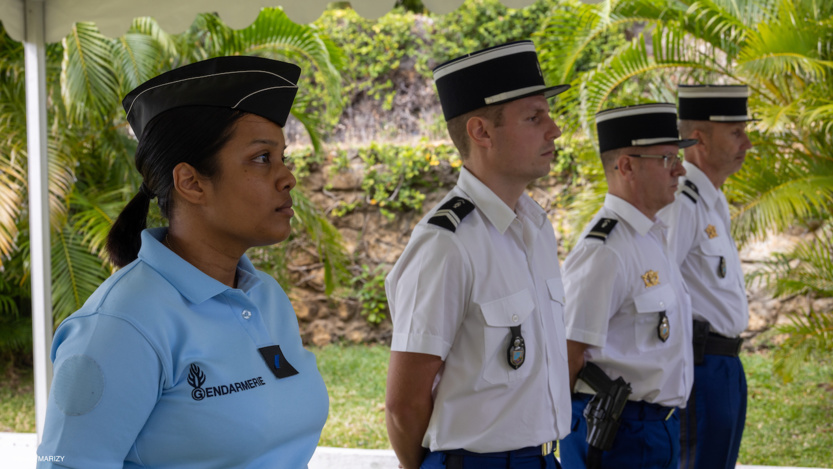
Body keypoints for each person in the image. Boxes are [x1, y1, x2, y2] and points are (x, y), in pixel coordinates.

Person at [36, 56, 329, 468]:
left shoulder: (265, 298)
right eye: (262, 158)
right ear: (191, 182)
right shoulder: (120, 327)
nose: (288, 177)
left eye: (283, 157)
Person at [384, 40, 572, 469]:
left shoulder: (536, 230)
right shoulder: (446, 243)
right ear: (481, 132)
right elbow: (403, 404)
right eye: (534, 117)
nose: (554, 129)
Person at [559, 103, 696, 469]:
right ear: (626, 166)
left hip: (657, 427)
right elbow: (568, 353)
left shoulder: (651, 236)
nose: (681, 169)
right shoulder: (604, 251)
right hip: (615, 430)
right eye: (667, 158)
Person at [663, 84, 755, 469]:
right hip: (698, 365)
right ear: (698, 138)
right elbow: (662, 284)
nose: (747, 143)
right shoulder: (683, 202)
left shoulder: (712, 201)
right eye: (735, 132)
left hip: (724, 364)